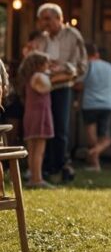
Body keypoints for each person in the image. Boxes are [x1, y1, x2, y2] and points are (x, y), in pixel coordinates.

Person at [36, 3, 87, 183]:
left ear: (59, 18)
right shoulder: (42, 38)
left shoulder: (72, 35)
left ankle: (58, 167)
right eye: (42, 19)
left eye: (48, 19)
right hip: (41, 89)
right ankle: (44, 168)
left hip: (62, 87)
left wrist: (61, 68)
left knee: (59, 129)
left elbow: (81, 65)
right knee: (43, 128)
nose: (44, 23)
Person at [19, 51, 73, 188]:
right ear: (39, 64)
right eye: (46, 63)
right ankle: (37, 179)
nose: (48, 65)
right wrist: (60, 71)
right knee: (39, 150)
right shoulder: (39, 76)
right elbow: (64, 77)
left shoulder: (31, 76)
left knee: (32, 149)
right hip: (40, 115)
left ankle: (33, 177)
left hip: (31, 115)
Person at [81, 44, 111, 171]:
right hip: (107, 104)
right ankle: (95, 163)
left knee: (92, 137)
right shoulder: (109, 67)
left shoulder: (86, 66)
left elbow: (79, 84)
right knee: (106, 137)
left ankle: (94, 153)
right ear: (97, 54)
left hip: (89, 104)